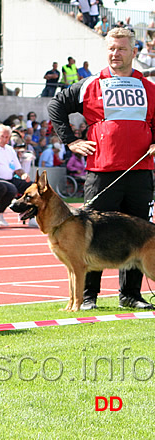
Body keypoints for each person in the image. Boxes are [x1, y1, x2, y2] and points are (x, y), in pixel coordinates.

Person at [48, 27, 155, 311]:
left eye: (121, 48)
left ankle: (130, 295)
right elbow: (56, 105)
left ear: (134, 52)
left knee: (139, 234)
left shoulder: (149, 88)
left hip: (140, 172)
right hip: (102, 171)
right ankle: (88, 296)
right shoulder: (90, 84)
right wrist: (70, 141)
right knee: (89, 235)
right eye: (111, 48)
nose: (115, 53)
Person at [0, 125, 33, 227]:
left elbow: (18, 168)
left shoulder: (10, 149)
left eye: (7, 137)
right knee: (11, 189)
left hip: (11, 178)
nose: (5, 139)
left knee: (32, 187)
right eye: (2, 136)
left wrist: (23, 174)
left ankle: (30, 216)